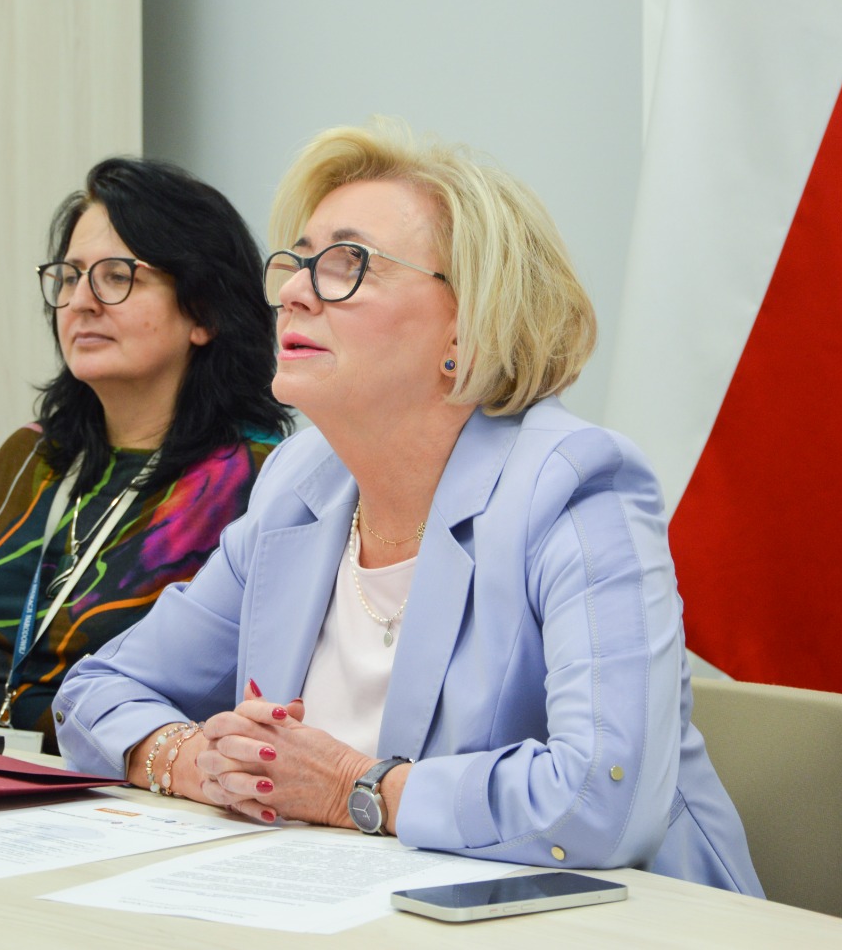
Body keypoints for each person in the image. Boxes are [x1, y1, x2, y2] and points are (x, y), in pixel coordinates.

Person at [54, 123, 762, 892]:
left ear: (468, 321)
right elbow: (97, 688)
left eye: (346, 264)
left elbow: (601, 802)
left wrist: (353, 789)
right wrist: (200, 762)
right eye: (297, 261)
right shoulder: (300, 486)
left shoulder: (576, 487)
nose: (293, 292)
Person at [0, 157, 292, 751]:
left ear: (204, 311)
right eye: (70, 276)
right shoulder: (28, 458)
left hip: (103, 773)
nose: (80, 300)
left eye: (116, 276)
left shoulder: (256, 482)